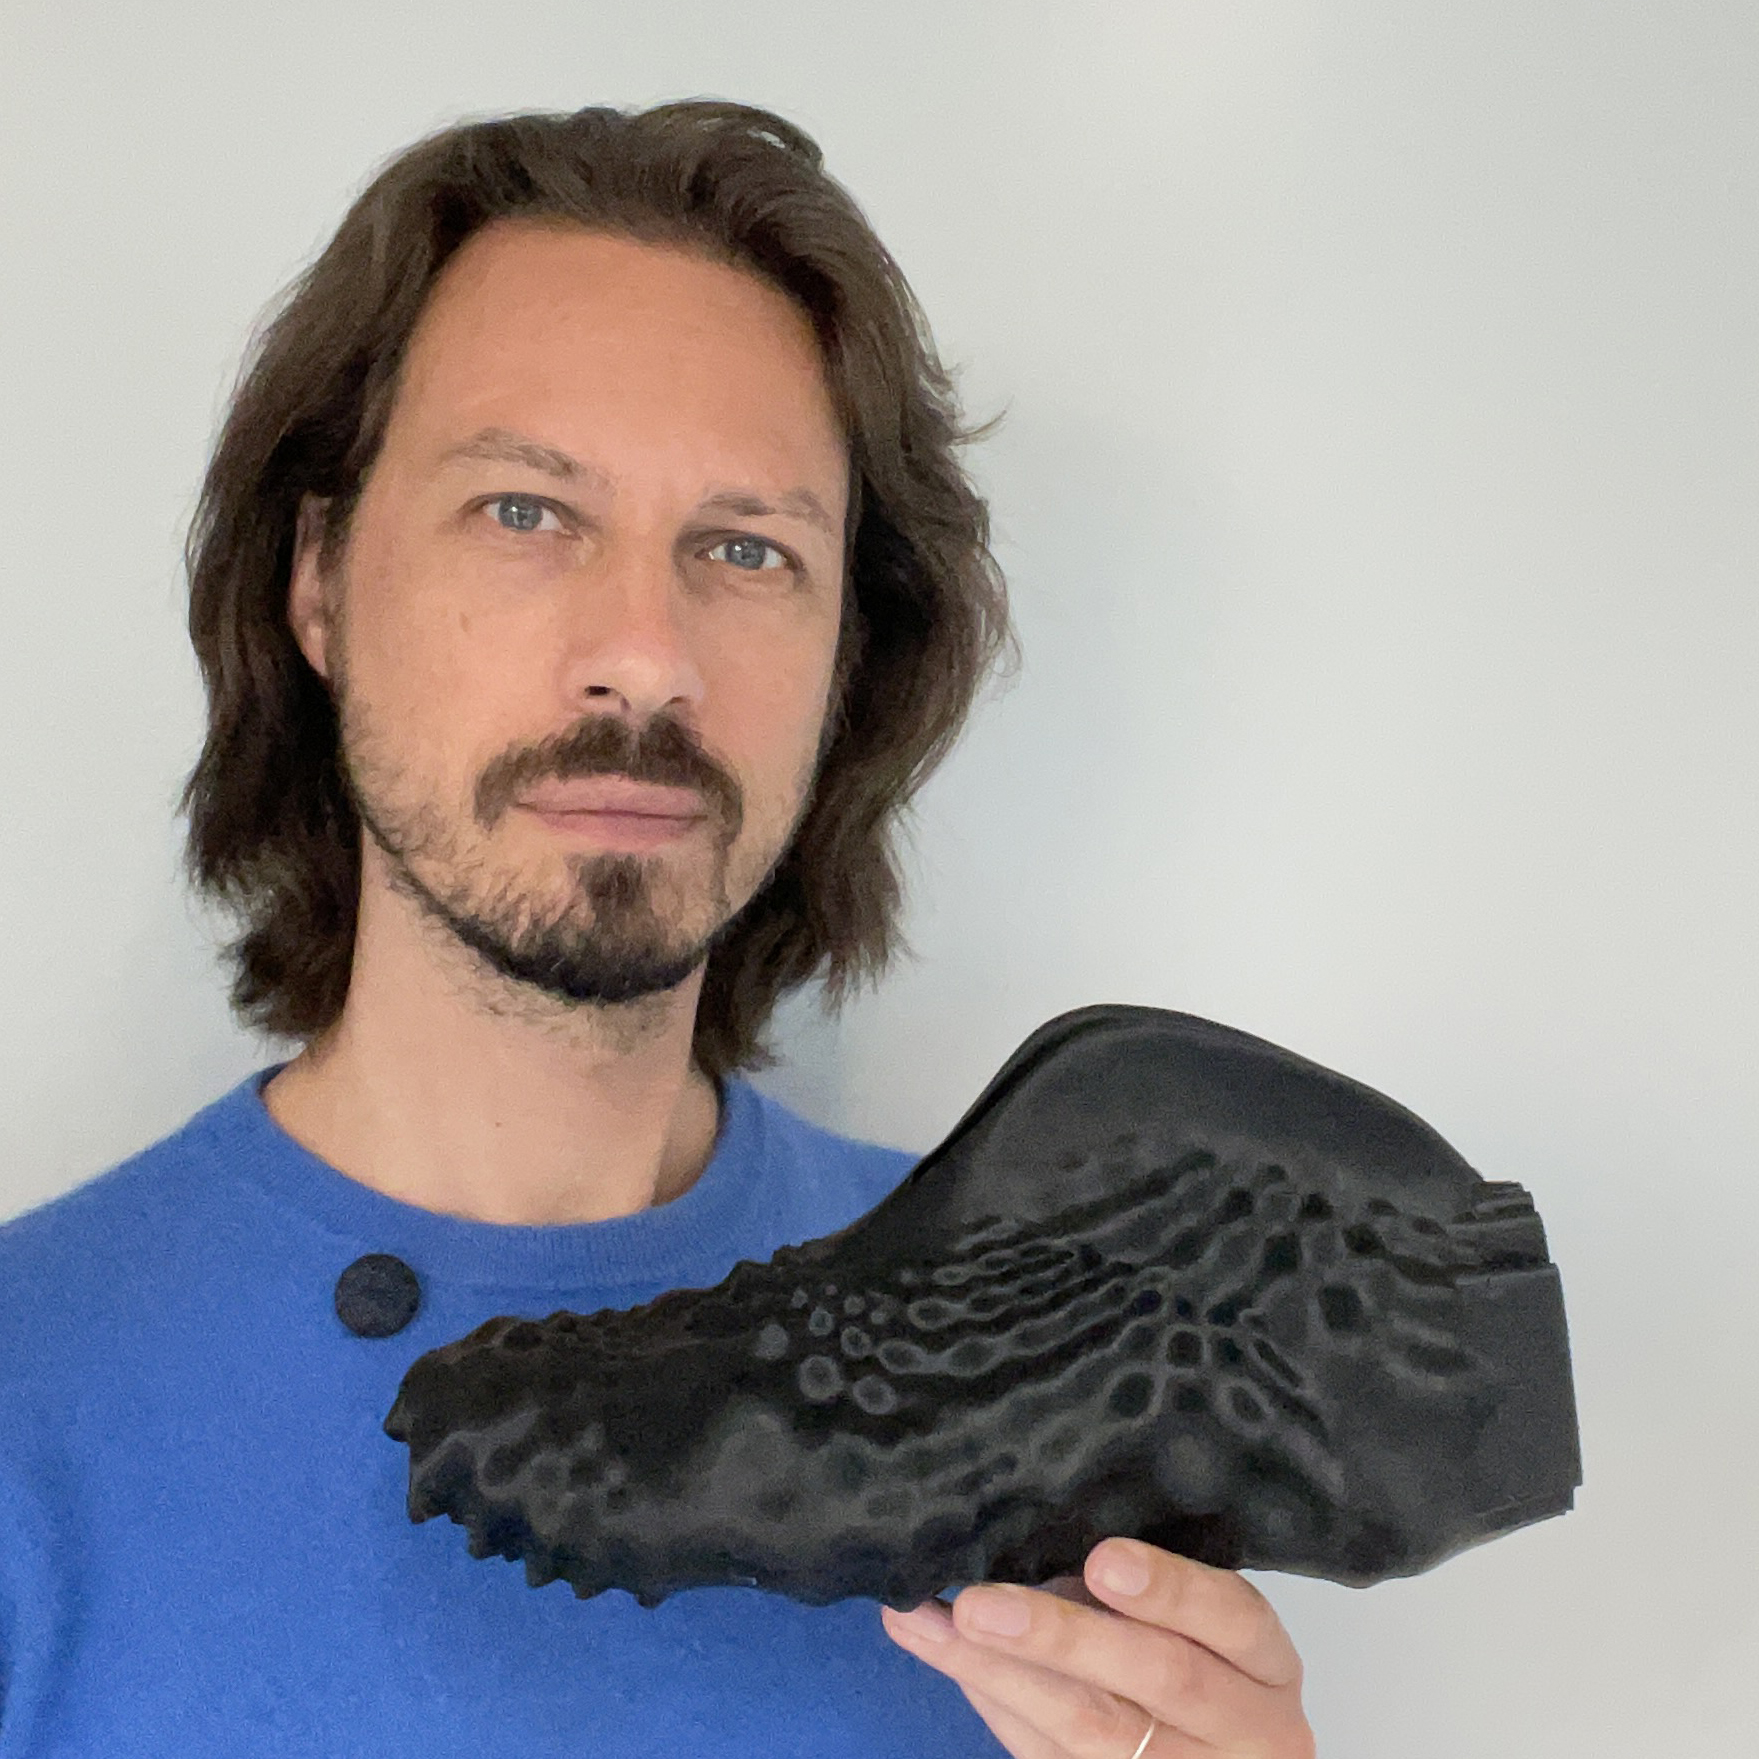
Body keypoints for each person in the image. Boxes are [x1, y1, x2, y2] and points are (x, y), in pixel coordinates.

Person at [0, 101, 1314, 1758]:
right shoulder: (26, 1403)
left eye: (747, 549)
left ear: (850, 661)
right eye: (525, 513)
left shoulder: (1063, 1390)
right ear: (320, 579)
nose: (646, 652)